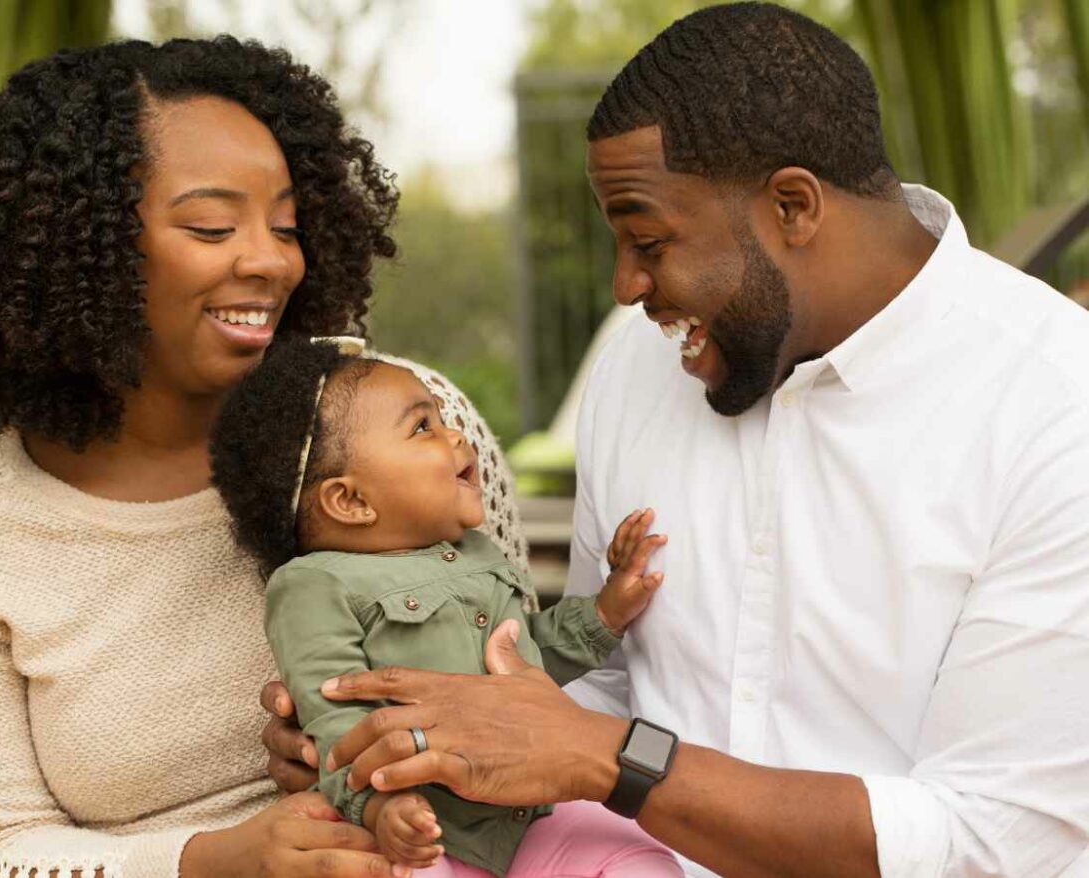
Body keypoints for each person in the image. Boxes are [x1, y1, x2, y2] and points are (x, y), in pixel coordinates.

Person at [259, 4, 1089, 877]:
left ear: (794, 206)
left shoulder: (1056, 407)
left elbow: (999, 841)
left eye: (648, 240)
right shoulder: (637, 367)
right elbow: (591, 690)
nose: (624, 288)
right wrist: (394, 734)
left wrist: (613, 758)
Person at [0, 35, 524, 878]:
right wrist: (218, 860)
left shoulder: (412, 425)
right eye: (212, 226)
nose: (272, 260)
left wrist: (372, 744)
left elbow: (524, 679)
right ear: (70, 246)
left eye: (286, 223)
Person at [207, 334, 681, 877]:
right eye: (422, 427)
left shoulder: (476, 552)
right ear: (351, 500)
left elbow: (526, 663)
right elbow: (335, 721)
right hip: (421, 833)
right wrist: (381, 807)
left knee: (633, 857)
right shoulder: (313, 586)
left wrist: (605, 613)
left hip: (530, 817)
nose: (455, 435)